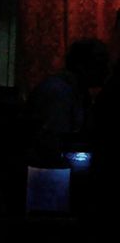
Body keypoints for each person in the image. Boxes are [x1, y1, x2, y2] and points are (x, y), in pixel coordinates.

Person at [23, 37, 110, 168]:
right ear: (83, 65)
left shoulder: (78, 92)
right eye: (100, 64)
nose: (106, 70)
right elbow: (52, 143)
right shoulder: (58, 92)